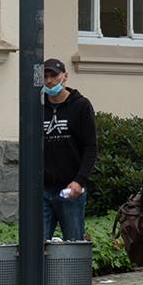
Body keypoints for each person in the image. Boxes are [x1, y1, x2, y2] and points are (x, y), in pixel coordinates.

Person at [41, 58, 97, 241]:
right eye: (45, 76)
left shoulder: (81, 105)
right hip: (43, 189)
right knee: (37, 246)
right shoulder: (37, 107)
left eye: (54, 75)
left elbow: (90, 147)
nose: (49, 81)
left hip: (70, 189)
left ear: (64, 76)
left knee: (73, 244)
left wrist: (79, 181)